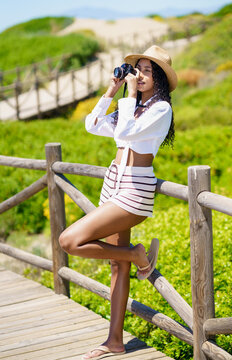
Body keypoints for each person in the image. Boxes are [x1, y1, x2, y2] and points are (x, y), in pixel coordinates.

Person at [59, 45, 178, 360]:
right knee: (116, 265)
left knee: (68, 240)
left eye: (147, 71)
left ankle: (135, 253)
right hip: (113, 184)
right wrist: (113, 88)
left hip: (134, 191)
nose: (139, 75)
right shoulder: (132, 106)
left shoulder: (160, 109)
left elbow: (125, 131)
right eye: (136, 68)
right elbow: (93, 125)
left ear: (160, 79)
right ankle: (114, 341)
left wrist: (127, 91)